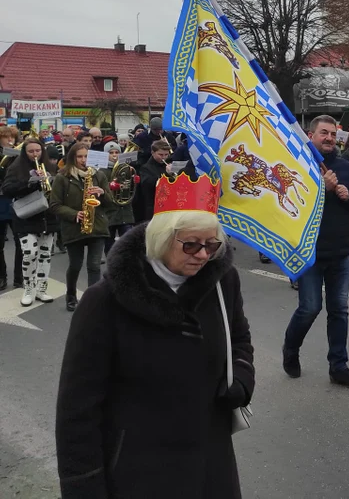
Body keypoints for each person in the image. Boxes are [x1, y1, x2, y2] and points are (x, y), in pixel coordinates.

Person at [55, 173, 254, 499]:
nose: (203, 255)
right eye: (190, 244)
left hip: (211, 465)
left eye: (212, 244)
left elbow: (240, 338)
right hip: (139, 472)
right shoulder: (104, 302)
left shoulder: (222, 281)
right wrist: (84, 487)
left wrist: (242, 379)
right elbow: (77, 411)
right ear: (162, 239)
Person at [282, 115, 349, 389]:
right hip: (309, 252)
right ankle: (291, 349)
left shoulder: (344, 167)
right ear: (310, 135)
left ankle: (338, 367)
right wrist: (324, 189)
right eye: (323, 133)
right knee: (309, 308)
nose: (329, 138)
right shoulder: (297, 164)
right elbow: (290, 203)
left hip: (340, 252)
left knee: (339, 311)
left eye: (333, 134)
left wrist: (346, 194)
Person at [49, 142, 114, 311]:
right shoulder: (62, 177)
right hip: (73, 227)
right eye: (79, 157)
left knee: (94, 266)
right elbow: (55, 204)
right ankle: (71, 296)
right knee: (75, 265)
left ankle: (93, 301)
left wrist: (102, 193)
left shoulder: (98, 175)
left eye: (86, 156)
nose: (83, 160)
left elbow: (110, 203)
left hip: (97, 225)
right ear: (72, 158)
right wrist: (74, 214)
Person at [1, 137, 59, 305]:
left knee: (45, 255)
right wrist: (29, 183)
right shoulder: (16, 167)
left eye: (38, 151)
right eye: (31, 151)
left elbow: (58, 190)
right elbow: (8, 189)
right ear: (24, 153)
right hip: (26, 216)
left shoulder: (50, 166)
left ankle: (41, 289)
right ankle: (28, 288)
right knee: (29, 253)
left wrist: (51, 179)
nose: (35, 154)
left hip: (47, 216)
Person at [0, 125, 25, 289]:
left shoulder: (19, 156)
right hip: (1, 203)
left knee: (21, 243)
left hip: (16, 202)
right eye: (6, 137)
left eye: (13, 138)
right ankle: (2, 276)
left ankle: (19, 277)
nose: (10, 141)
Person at [103, 142, 136, 257]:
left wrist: (134, 181)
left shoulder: (126, 168)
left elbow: (131, 188)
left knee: (128, 241)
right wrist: (110, 186)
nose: (114, 155)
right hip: (109, 211)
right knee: (109, 243)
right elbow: (99, 186)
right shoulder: (102, 170)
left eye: (117, 152)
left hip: (125, 210)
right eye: (111, 153)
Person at [133, 140, 174, 224]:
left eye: (166, 154)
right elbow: (148, 183)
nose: (164, 157)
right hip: (152, 206)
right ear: (153, 152)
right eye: (160, 154)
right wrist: (166, 175)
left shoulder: (169, 165)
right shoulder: (146, 168)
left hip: (168, 205)